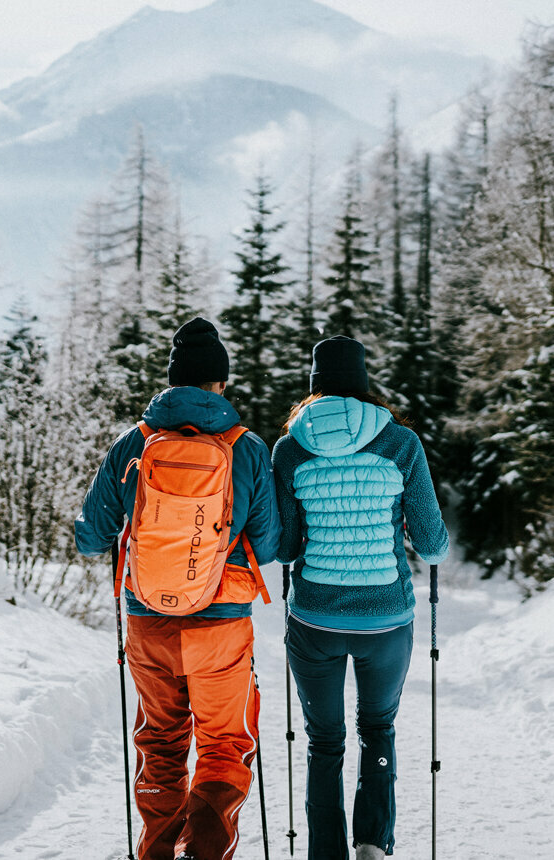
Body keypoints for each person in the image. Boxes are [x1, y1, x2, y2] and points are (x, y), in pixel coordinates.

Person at [75, 317, 281, 860]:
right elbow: (272, 541)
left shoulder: (133, 444)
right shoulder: (248, 447)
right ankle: (207, 853)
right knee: (225, 744)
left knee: (161, 744)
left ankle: (157, 852)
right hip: (222, 622)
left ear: (171, 381)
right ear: (221, 383)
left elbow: (90, 537)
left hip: (149, 619)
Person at [271, 335, 449, 860]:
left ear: (313, 389)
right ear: (365, 386)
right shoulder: (401, 443)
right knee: (378, 727)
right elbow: (433, 542)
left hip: (314, 619)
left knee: (324, 741)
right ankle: (372, 842)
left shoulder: (290, 448)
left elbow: (284, 547)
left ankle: (326, 853)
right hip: (387, 620)